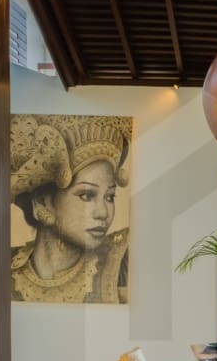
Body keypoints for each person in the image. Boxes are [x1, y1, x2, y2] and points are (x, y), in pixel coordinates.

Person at [9, 114, 130, 303]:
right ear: (42, 201)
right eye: (87, 196)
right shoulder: (0, 267)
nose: (103, 213)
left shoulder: (121, 260)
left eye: (110, 197)